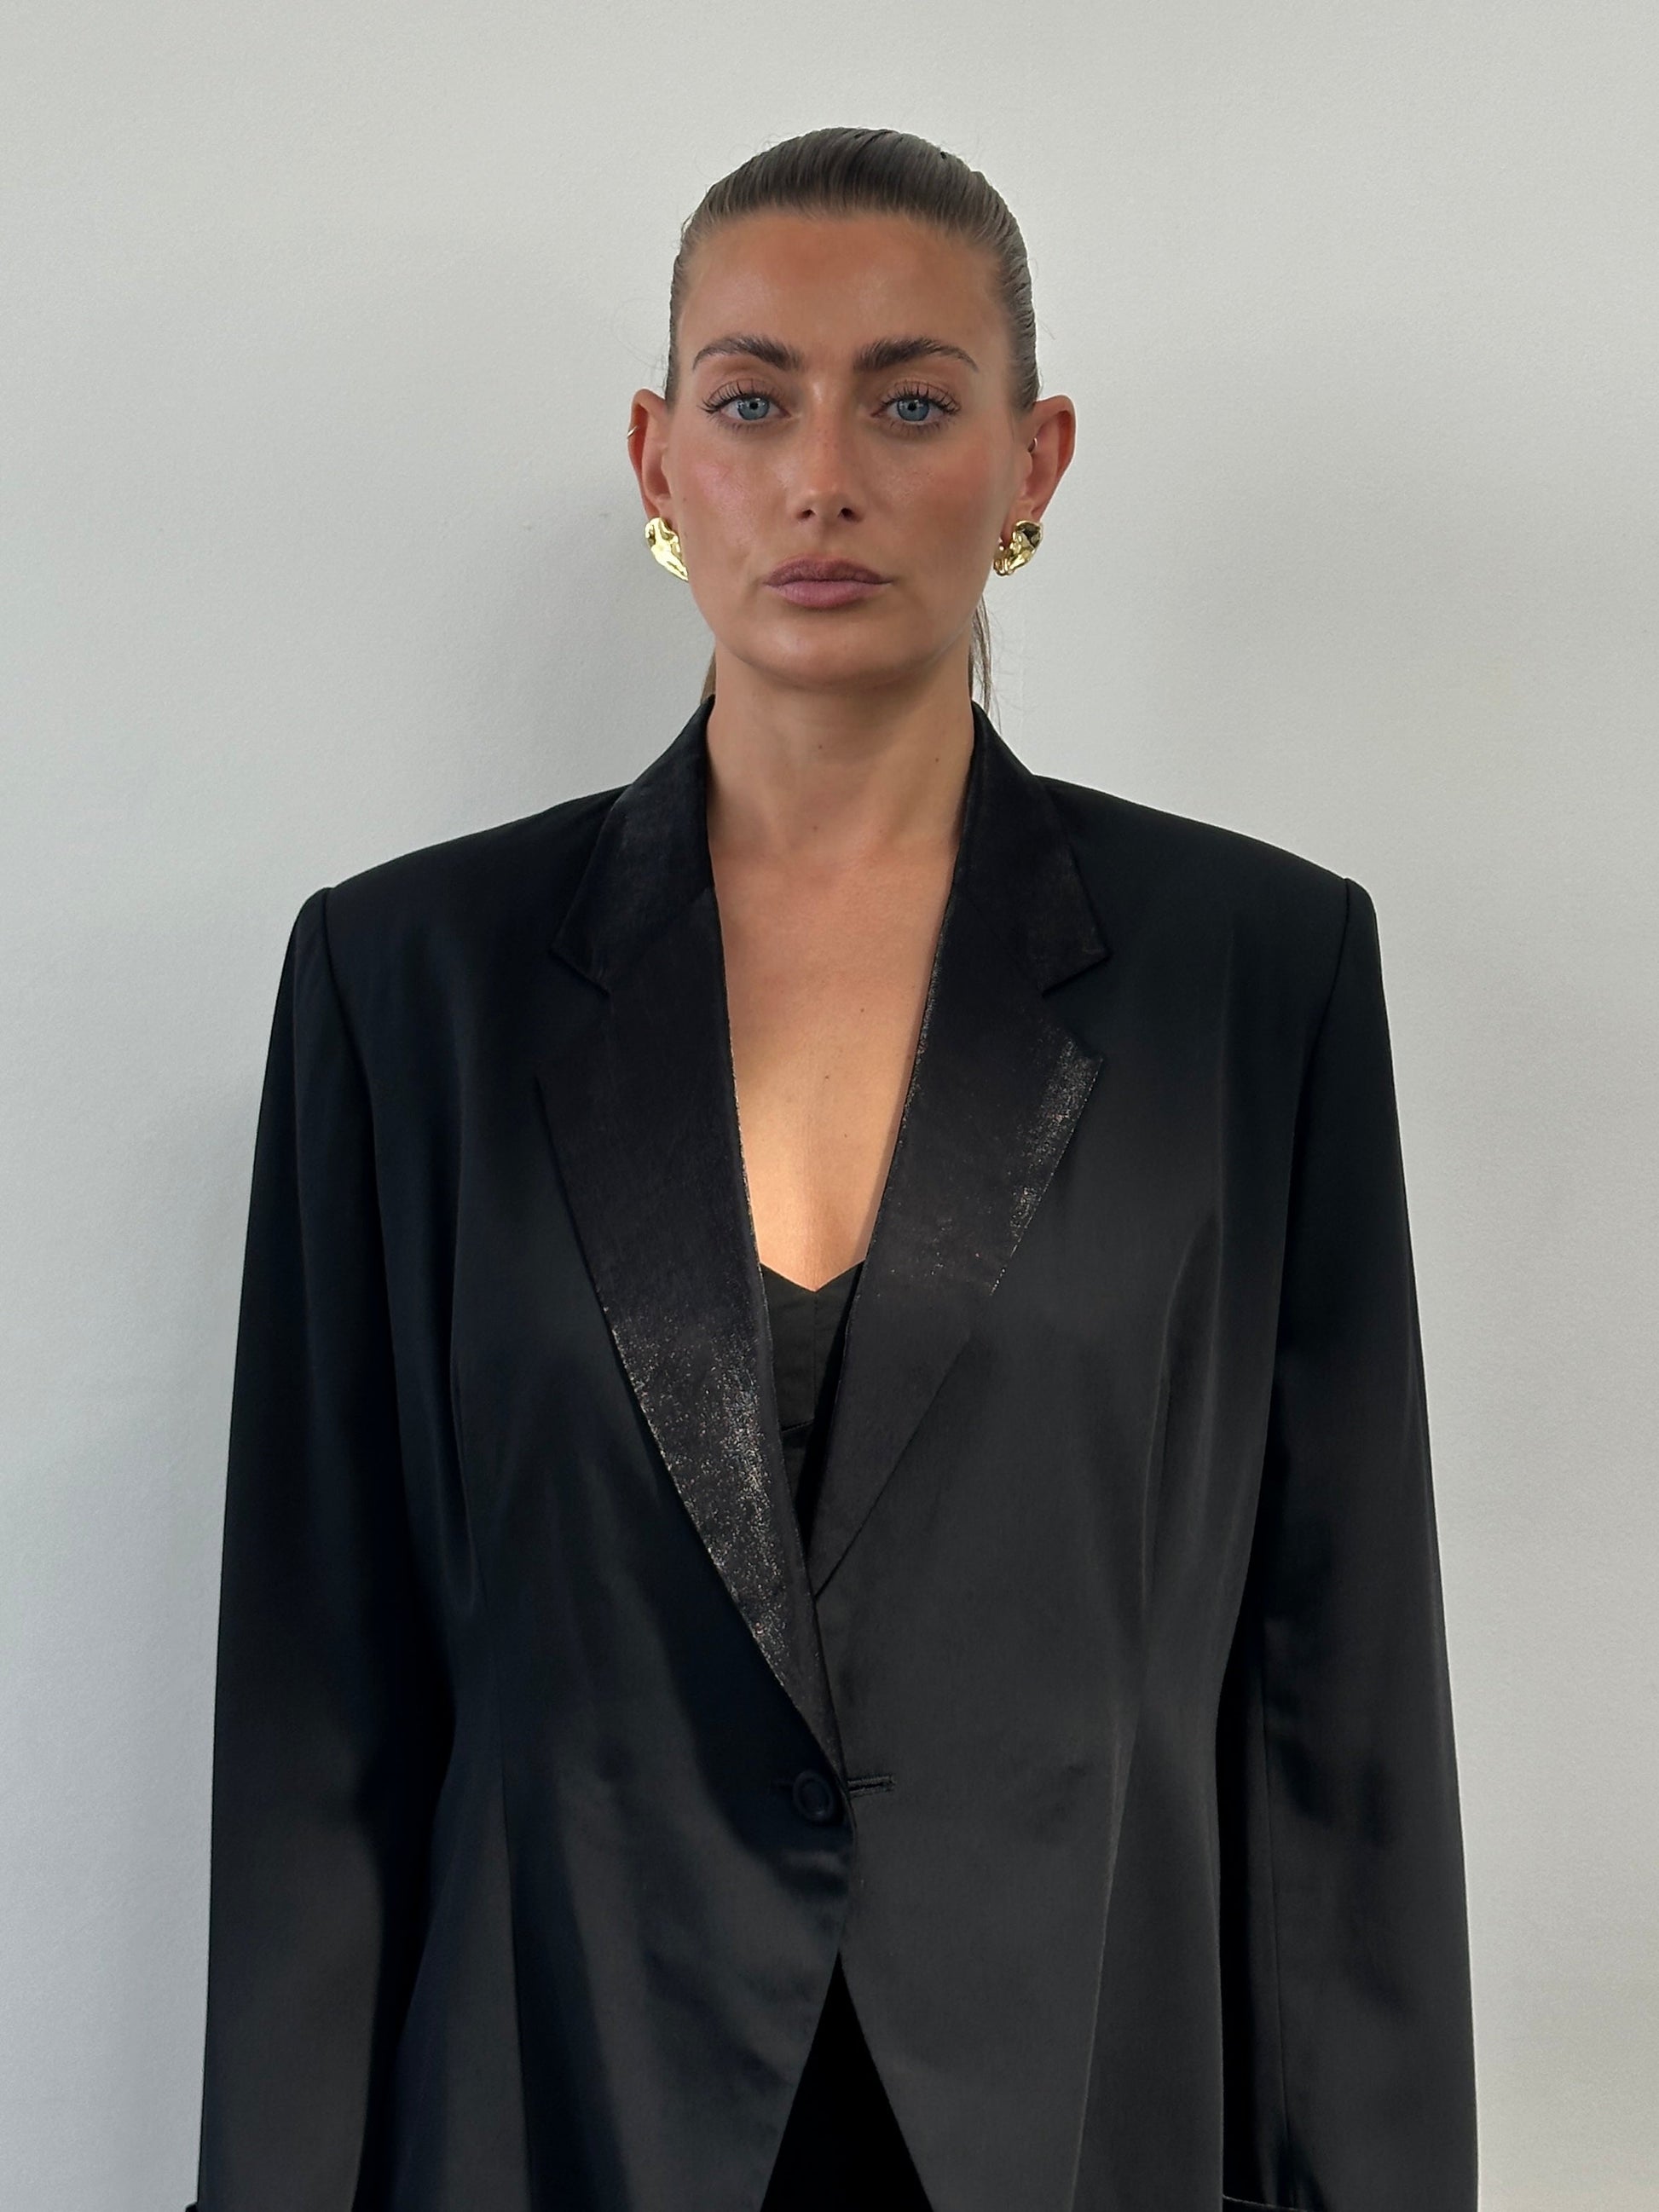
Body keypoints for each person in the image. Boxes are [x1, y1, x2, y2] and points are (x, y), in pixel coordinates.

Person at [187, 127, 1477, 2212]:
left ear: (1035, 458)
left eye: (910, 402)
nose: (819, 478)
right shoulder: (407, 983)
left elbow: (1336, 1699)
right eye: (750, 399)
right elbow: (319, 1711)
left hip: (1079, 2117)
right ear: (655, 454)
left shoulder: (1254, 977)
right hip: (549, 2113)